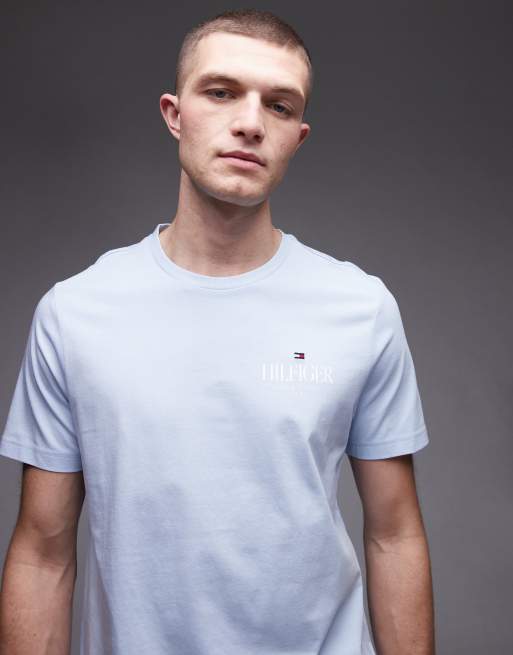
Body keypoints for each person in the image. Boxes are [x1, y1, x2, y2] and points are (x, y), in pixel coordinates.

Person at [0, 8, 435, 655]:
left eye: (279, 106)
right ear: (174, 114)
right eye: (222, 92)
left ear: (297, 137)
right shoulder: (75, 312)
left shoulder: (359, 307)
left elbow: (394, 534)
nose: (251, 123)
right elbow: (42, 552)